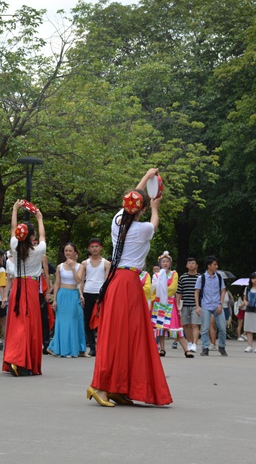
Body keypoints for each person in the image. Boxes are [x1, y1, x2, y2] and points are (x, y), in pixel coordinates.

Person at [88, 168, 171, 407]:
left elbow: (134, 197)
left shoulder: (117, 222)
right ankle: (100, 386)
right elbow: (153, 221)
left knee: (119, 335)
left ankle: (116, 387)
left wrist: (146, 177)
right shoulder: (143, 228)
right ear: (143, 209)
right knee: (126, 336)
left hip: (115, 282)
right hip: (129, 284)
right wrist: (155, 208)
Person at [3, 200, 46, 377]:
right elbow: (43, 237)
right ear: (31, 237)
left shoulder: (14, 246)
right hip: (30, 287)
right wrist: (39, 218)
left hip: (17, 287)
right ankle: (22, 360)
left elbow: (14, 229)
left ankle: (14, 357)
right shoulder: (38, 250)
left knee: (16, 323)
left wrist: (14, 209)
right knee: (29, 324)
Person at [47, 242, 88, 358]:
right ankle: (61, 348)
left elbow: (79, 280)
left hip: (73, 294)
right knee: (62, 322)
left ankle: (73, 349)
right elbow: (57, 283)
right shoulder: (60, 266)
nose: (68, 253)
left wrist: (72, 268)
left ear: (75, 252)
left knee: (72, 322)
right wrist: (54, 299)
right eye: (66, 251)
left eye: (70, 251)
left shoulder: (80, 266)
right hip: (62, 295)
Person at [150, 252, 193, 358]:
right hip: (158, 303)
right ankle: (162, 349)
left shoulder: (174, 274)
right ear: (160, 263)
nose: (165, 264)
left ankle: (186, 350)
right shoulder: (156, 275)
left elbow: (173, 288)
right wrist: (161, 290)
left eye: (167, 262)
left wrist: (162, 290)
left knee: (176, 326)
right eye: (163, 262)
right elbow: (153, 288)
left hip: (169, 303)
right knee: (159, 327)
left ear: (170, 263)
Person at [194, 256, 228, 357]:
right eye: (214, 265)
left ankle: (222, 346)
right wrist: (197, 306)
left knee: (222, 328)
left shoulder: (219, 277)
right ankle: (205, 348)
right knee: (205, 328)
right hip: (206, 305)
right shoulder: (202, 278)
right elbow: (196, 291)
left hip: (217, 305)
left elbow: (223, 290)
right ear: (209, 266)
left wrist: (221, 304)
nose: (216, 266)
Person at [82, 238, 109, 357]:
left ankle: (102, 346)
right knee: (88, 321)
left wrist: (105, 294)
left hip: (100, 293)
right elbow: (81, 281)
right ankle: (92, 347)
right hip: (88, 292)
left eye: (96, 246)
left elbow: (107, 280)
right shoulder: (85, 263)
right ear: (89, 248)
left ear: (100, 248)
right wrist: (81, 294)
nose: (94, 249)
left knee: (101, 321)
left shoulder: (106, 263)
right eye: (92, 247)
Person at [178, 257, 201, 352]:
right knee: (186, 325)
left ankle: (195, 344)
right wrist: (177, 304)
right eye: (189, 263)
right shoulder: (183, 277)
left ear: (196, 265)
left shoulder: (200, 277)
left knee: (195, 324)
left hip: (196, 304)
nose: (191, 265)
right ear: (186, 266)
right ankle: (190, 342)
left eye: (193, 263)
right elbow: (179, 291)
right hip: (185, 304)